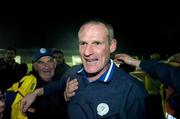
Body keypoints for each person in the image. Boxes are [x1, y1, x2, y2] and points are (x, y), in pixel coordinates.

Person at [20, 19, 148, 119]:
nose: (87, 52)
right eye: (83, 43)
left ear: (112, 46)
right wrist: (35, 93)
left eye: (97, 43)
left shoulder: (132, 90)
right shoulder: (73, 72)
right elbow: (57, 85)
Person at [5, 48, 67, 119]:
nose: (46, 66)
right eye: (41, 62)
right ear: (35, 67)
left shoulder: (61, 83)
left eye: (50, 61)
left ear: (55, 64)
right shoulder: (28, 84)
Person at [115, 53, 180, 119]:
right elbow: (161, 70)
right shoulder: (134, 83)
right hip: (153, 95)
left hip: (153, 95)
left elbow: (161, 70)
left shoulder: (133, 83)